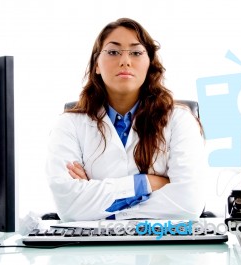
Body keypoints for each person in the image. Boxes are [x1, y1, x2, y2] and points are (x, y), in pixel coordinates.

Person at [46, 18, 206, 222]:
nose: (125, 61)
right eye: (113, 52)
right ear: (96, 65)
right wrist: (146, 183)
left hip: (162, 248)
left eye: (136, 53)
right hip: (91, 251)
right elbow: (69, 206)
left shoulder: (180, 120)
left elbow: (188, 204)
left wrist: (102, 209)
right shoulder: (68, 124)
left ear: (149, 64)